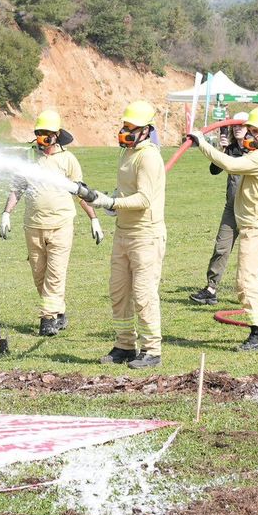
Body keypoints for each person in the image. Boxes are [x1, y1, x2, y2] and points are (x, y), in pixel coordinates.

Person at [186, 106, 258, 352]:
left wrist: (202, 143)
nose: (249, 135)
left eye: (255, 131)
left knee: (246, 283)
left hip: (256, 228)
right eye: (249, 130)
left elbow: (229, 164)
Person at [74, 101, 166, 369]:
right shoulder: (127, 153)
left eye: (132, 128)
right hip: (123, 233)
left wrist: (110, 203)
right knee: (119, 291)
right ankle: (125, 345)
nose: (125, 132)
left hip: (145, 235)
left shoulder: (148, 156)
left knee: (143, 293)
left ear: (146, 130)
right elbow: (124, 191)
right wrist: (110, 199)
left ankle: (152, 350)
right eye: (124, 126)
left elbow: (144, 199)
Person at [0, 110, 103, 337]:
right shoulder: (27, 157)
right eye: (39, 133)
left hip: (61, 225)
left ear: (57, 135)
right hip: (33, 226)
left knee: (55, 274)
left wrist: (94, 219)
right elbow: (17, 189)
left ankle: (47, 320)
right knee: (40, 275)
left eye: (47, 134)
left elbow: (80, 192)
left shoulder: (68, 160)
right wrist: (6, 213)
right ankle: (59, 312)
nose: (42, 138)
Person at [189, 112, 250, 306]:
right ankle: (211, 288)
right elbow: (214, 170)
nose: (238, 128)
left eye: (242, 125)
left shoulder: (257, 150)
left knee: (250, 251)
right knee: (221, 247)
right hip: (232, 208)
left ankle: (252, 290)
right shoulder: (230, 148)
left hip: (251, 209)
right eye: (235, 126)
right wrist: (222, 150)